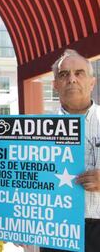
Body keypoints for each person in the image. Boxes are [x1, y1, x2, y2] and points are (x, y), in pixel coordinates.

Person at [40, 49, 100, 252]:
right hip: (56, 227)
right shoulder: (36, 130)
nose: (71, 79)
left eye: (79, 73)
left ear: (92, 82)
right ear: (55, 85)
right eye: (63, 74)